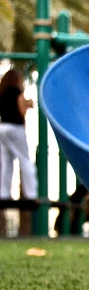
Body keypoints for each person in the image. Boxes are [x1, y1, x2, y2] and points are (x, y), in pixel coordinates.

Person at [0, 68, 37, 200]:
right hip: (15, 128)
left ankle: (3, 194)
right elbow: (21, 111)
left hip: (3, 127)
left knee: (6, 162)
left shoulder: (2, 92)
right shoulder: (17, 92)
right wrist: (28, 105)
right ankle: (31, 193)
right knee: (25, 160)